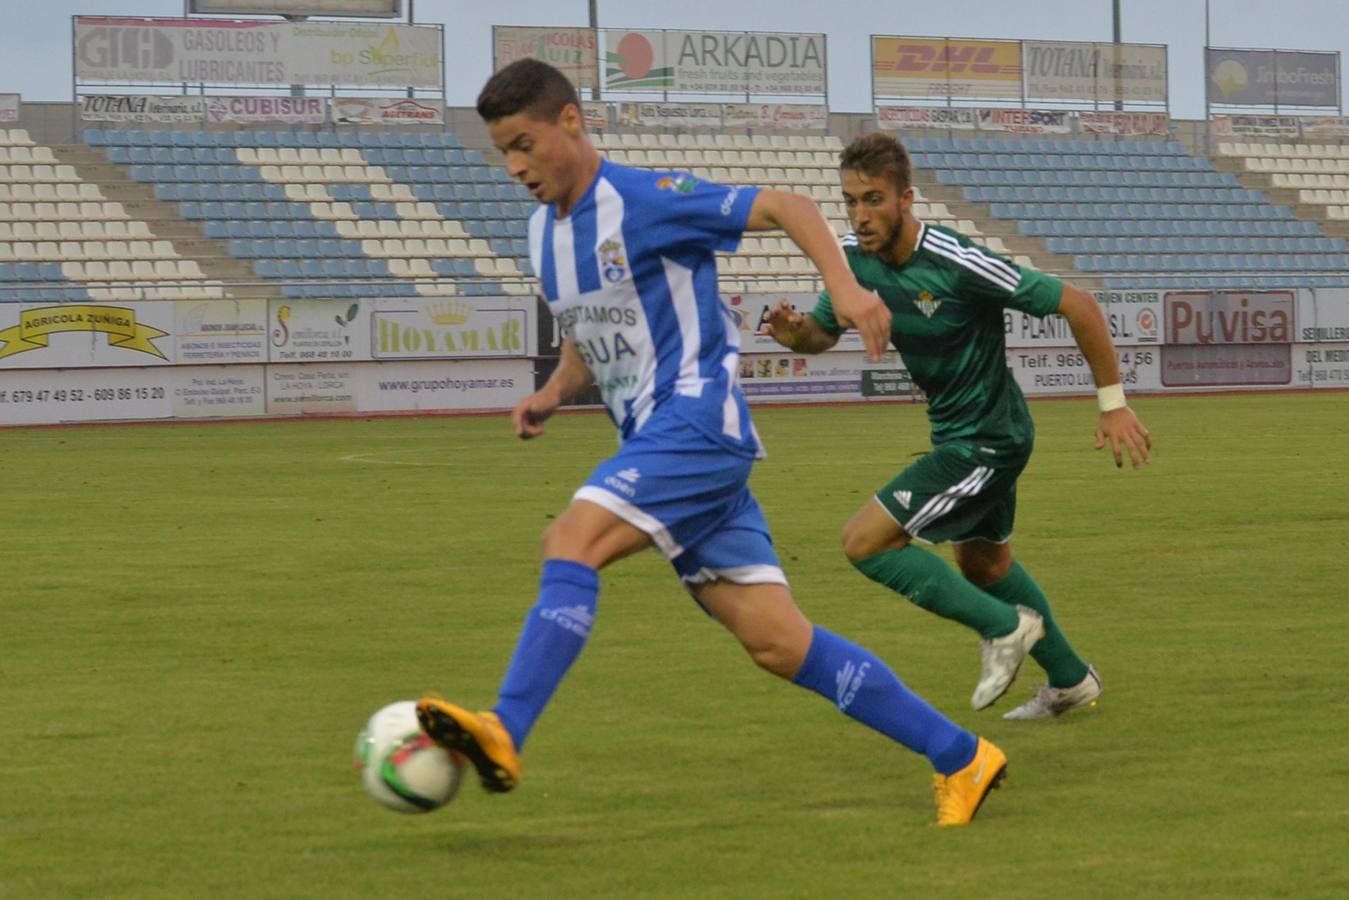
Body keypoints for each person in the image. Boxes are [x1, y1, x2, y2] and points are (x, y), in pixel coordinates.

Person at [415, 59, 1006, 826]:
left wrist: (850, 289)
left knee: (569, 544)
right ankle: (961, 755)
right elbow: (587, 330)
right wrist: (554, 393)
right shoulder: (541, 234)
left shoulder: (643, 200)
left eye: (524, 143)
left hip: (695, 423)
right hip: (678, 448)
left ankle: (506, 728)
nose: (515, 166)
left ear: (569, 122)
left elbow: (788, 205)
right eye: (503, 152)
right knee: (776, 642)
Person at [765, 132, 1152, 719]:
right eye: (850, 201)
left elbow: (1079, 304)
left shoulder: (955, 261)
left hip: (988, 440)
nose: (860, 215)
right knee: (986, 565)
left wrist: (1113, 403)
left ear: (907, 199)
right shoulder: (853, 260)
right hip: (965, 433)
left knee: (865, 542)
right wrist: (795, 336)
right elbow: (823, 331)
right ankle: (1072, 681)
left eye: (873, 199)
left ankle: (1004, 629)